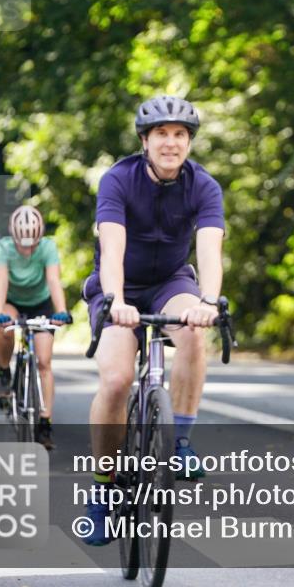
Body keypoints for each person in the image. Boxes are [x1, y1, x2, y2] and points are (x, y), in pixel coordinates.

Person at [81, 95, 225, 546]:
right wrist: (116, 299)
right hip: (119, 285)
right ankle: (102, 491)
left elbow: (209, 251)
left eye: (179, 134)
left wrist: (210, 301)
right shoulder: (117, 180)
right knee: (118, 379)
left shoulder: (204, 186)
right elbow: (112, 250)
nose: (170, 142)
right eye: (161, 133)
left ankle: (179, 440)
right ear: (145, 140)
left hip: (171, 281)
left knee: (194, 332)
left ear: (188, 142)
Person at [0, 206, 72, 450]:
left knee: (44, 361)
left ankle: (45, 421)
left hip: (42, 302)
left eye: (32, 244)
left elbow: (53, 280)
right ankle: (4, 369)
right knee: (3, 329)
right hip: (12, 301)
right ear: (13, 237)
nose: (27, 250)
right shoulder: (3, 248)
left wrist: (61, 310)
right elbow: (2, 282)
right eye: (22, 245)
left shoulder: (47, 247)